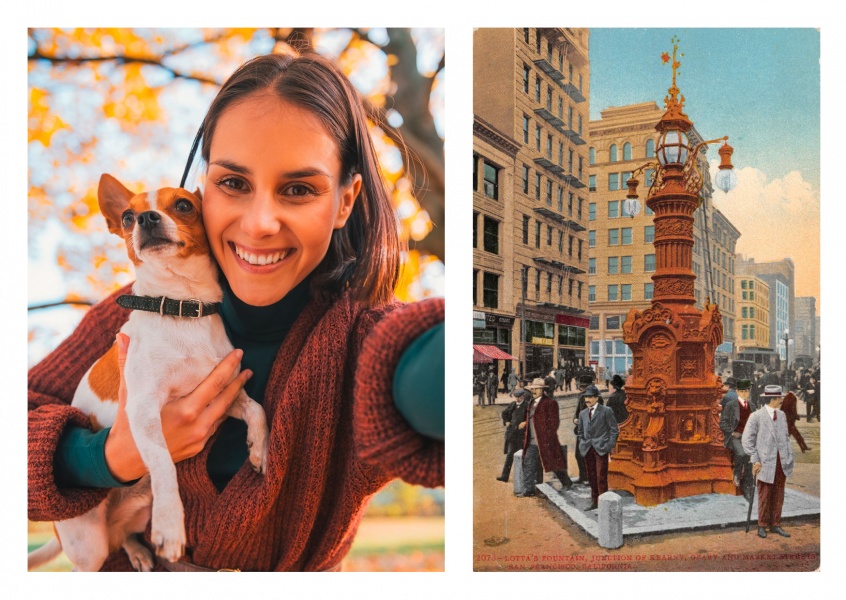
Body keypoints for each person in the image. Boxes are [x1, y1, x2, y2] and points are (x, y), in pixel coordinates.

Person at [28, 51, 444, 572]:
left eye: (298, 189)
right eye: (233, 183)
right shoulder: (126, 314)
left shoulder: (363, 341)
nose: (259, 224)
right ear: (203, 191)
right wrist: (107, 457)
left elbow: (427, 376)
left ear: (344, 201)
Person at [742, 385, 795, 539]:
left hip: (781, 462)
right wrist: (755, 459)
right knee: (764, 493)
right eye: (780, 398)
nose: (781, 400)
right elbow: (747, 441)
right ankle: (762, 525)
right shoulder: (756, 416)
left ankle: (775, 524)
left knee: (779, 493)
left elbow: (785, 438)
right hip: (764, 462)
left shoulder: (782, 415)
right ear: (773, 399)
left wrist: (789, 455)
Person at [519, 378, 572, 496]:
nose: (534, 391)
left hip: (546, 441)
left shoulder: (550, 403)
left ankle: (566, 482)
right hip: (532, 441)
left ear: (542, 390)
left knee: (554, 464)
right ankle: (529, 490)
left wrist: (547, 436)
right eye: (533, 389)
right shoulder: (531, 403)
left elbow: (554, 423)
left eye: (537, 389)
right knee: (528, 463)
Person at [576, 385, 619, 511]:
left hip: (601, 448)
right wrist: (582, 443)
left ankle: (604, 504)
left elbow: (614, 430)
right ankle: (595, 502)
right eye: (585, 397)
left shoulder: (606, 411)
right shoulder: (583, 413)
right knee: (591, 476)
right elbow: (579, 432)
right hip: (587, 449)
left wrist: (608, 446)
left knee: (601, 476)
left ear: (596, 398)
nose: (587, 400)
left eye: (590, 397)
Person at [719, 379, 753, 491]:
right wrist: (732, 432)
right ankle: (737, 474)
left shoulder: (752, 406)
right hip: (735, 436)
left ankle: (748, 480)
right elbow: (723, 423)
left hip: (748, 437)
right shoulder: (730, 405)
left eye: (747, 391)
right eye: (742, 391)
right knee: (742, 453)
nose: (745, 393)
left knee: (750, 456)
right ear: (737, 392)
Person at [497, 382, 530, 483]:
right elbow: (504, 413)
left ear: (523, 397)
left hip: (522, 435)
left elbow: (532, 417)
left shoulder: (527, 406)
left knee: (524, 457)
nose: (517, 399)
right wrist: (506, 421)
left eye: (519, 398)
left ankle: (525, 478)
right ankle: (504, 476)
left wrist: (525, 422)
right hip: (512, 435)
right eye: (516, 397)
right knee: (509, 456)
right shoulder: (513, 404)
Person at [572, 373, 600, 484]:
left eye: (584, 386)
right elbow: (578, 411)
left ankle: (589, 478)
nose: (582, 388)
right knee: (579, 454)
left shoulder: (596, 397)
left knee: (588, 455)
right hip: (581, 430)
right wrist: (575, 419)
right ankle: (583, 477)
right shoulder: (582, 396)